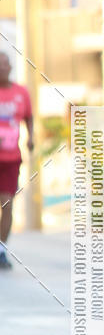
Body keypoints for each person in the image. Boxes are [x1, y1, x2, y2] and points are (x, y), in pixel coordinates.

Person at [0, 52, 33, 269]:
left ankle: (1, 249)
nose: (3, 68)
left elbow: (29, 117)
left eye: (5, 64)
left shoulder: (21, 92)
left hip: (11, 159)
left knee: (7, 205)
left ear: (11, 67)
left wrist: (32, 137)